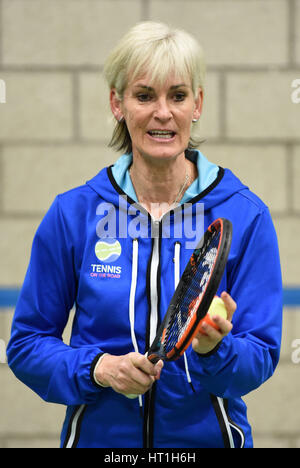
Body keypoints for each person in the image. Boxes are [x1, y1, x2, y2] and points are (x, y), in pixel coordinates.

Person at [7, 22, 282, 449]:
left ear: (198, 104)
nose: (162, 112)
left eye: (178, 95)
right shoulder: (73, 213)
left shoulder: (245, 216)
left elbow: (261, 357)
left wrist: (213, 350)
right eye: (144, 95)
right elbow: (27, 346)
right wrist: (98, 369)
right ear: (117, 103)